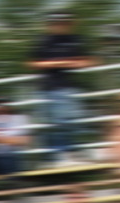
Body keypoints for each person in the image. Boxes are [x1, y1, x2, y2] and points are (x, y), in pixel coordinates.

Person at [28, 12, 94, 164]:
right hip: (48, 86)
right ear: (50, 25)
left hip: (68, 86)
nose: (60, 26)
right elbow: (33, 63)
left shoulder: (75, 40)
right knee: (55, 122)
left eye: (64, 23)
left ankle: (68, 153)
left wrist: (70, 63)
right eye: (57, 23)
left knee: (71, 120)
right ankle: (57, 155)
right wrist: (61, 63)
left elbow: (88, 61)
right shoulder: (43, 41)